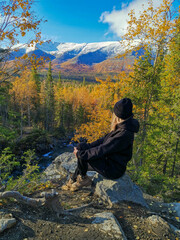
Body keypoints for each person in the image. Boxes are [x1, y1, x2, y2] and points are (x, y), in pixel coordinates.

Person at [62, 98, 139, 191]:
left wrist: (80, 154)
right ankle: (76, 178)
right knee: (81, 147)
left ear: (118, 115)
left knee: (83, 156)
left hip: (113, 169)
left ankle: (82, 179)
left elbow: (102, 149)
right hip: (108, 161)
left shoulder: (124, 134)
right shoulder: (122, 127)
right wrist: (86, 146)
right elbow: (102, 140)